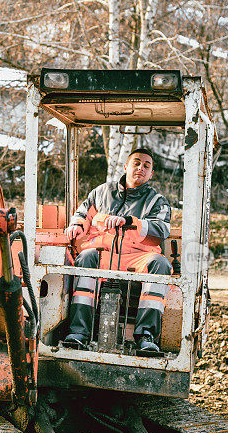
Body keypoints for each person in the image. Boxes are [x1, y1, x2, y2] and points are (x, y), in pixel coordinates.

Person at [63, 147, 172, 353]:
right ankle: (78, 333)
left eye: (146, 166)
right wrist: (77, 225)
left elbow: (161, 229)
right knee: (85, 257)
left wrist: (131, 221)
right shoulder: (102, 192)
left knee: (161, 264)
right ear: (126, 166)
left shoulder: (157, 201)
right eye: (136, 163)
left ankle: (146, 337)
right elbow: (83, 212)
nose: (141, 168)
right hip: (103, 253)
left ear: (151, 174)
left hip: (137, 257)